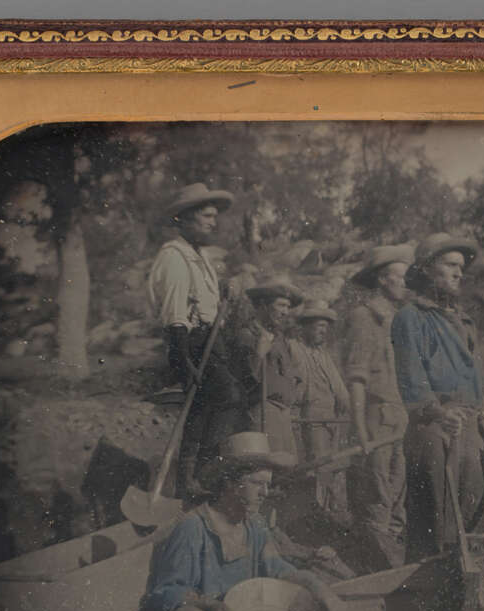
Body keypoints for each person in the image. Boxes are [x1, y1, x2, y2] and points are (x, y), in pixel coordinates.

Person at [138, 432, 342, 611]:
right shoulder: (193, 528)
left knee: (296, 608)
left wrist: (317, 586)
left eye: (268, 485)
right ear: (231, 483)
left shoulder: (253, 526)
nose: (266, 492)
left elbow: (277, 569)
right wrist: (210, 605)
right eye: (258, 484)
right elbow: (164, 592)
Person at [391, 233, 484, 563]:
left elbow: (477, 385)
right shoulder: (411, 317)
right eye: (450, 265)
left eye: (461, 267)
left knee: (472, 516)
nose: (459, 273)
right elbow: (410, 379)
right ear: (427, 269)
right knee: (434, 520)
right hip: (432, 427)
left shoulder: (464, 322)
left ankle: (472, 596)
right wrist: (439, 413)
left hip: (468, 429)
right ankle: (427, 603)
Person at [146, 182, 244, 499]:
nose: (213, 222)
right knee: (227, 395)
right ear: (184, 219)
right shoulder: (174, 256)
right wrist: (182, 358)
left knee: (202, 408)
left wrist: (224, 288)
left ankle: (191, 479)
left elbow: (204, 300)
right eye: (206, 216)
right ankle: (203, 472)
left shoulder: (199, 257)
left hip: (209, 338)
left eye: (215, 216)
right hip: (189, 339)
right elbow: (175, 310)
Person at [344, 244, 413, 569]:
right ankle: (375, 570)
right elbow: (356, 377)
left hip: (398, 419)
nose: (406, 283)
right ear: (384, 279)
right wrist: (360, 432)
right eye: (402, 277)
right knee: (377, 498)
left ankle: (393, 570)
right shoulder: (363, 317)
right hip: (375, 421)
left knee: (398, 500)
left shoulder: (397, 320)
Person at [232, 278, 305, 457]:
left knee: (288, 466)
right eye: (281, 305)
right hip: (263, 409)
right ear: (263, 305)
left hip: (284, 412)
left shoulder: (280, 338)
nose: (285, 312)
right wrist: (258, 353)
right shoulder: (247, 335)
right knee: (267, 465)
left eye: (288, 307)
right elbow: (241, 381)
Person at [291, 300, 350, 514]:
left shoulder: (324, 355)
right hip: (311, 416)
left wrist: (345, 401)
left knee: (332, 464)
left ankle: (329, 508)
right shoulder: (296, 349)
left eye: (325, 328)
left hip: (332, 418)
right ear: (305, 327)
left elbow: (339, 387)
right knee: (317, 463)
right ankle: (315, 511)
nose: (323, 332)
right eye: (318, 327)